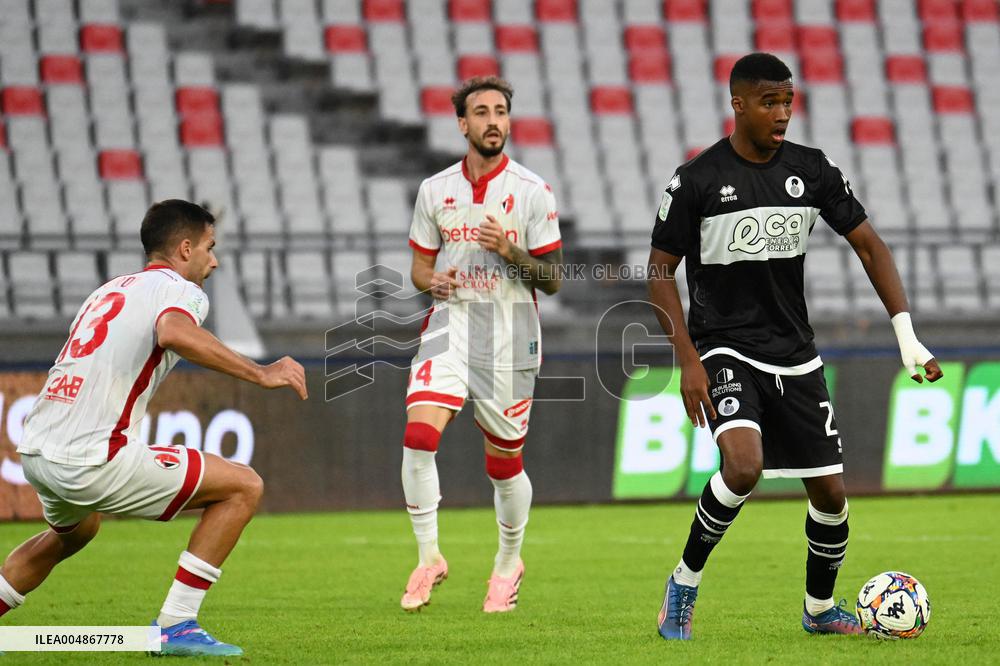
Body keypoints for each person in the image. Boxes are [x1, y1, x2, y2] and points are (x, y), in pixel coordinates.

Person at [646, 53, 943, 640]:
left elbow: (870, 246)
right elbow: (659, 272)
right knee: (744, 466)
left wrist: (906, 333)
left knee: (831, 495)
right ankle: (683, 584)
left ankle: (819, 610)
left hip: (794, 351)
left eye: (788, 100)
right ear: (737, 104)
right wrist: (687, 361)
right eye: (768, 101)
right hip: (725, 347)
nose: (782, 112)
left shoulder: (811, 170)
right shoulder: (697, 179)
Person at [0, 200, 307, 656]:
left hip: (37, 450)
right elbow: (174, 332)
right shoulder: (180, 290)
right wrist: (261, 373)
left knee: (77, 532)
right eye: (210, 247)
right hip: (92, 456)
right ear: (185, 249)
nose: (214, 261)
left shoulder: (108, 290)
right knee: (243, 486)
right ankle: (177, 624)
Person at [400, 76, 562, 613]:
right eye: (482, 112)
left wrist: (508, 248)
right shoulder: (434, 189)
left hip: (511, 334)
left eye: (501, 111)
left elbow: (554, 278)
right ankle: (429, 558)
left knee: (503, 466)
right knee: (419, 435)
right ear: (462, 123)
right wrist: (432, 283)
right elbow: (420, 268)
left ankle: (507, 563)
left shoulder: (532, 191)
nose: (494, 120)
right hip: (451, 323)